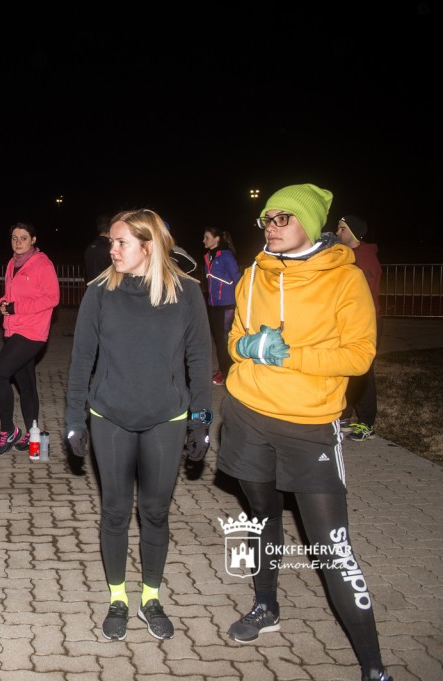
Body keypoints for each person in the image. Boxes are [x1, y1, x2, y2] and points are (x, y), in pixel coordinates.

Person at [217, 184, 391, 681]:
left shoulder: (345, 278)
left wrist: (288, 355)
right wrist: (247, 348)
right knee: (261, 517)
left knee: (332, 547)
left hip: (309, 424)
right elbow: (234, 339)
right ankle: (265, 605)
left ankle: (373, 666)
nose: (270, 227)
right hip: (247, 415)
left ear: (310, 224)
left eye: (283, 218)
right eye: (266, 219)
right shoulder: (253, 273)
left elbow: (359, 355)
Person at [65, 208, 211, 640]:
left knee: (155, 512)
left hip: (166, 418)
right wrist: (74, 419)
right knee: (114, 512)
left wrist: (201, 421)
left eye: (120, 243)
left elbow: (200, 360)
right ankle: (117, 599)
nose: (111, 250)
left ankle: (151, 597)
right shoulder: (99, 292)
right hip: (110, 416)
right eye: (111, 242)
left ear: (149, 246)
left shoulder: (186, 293)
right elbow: (81, 360)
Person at [0, 222, 60, 455]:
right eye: (14, 238)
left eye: (23, 238)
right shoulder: (12, 263)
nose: (18, 242)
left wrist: (16, 307)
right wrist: (3, 302)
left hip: (32, 332)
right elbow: (10, 294)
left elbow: (52, 298)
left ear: (33, 240)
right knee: (27, 385)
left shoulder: (43, 264)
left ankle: (8, 430)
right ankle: (34, 436)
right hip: (14, 329)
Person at [336, 215, 382, 442]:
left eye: (342, 229)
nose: (337, 233)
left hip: (365, 323)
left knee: (363, 372)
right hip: (347, 321)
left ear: (353, 233)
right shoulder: (347, 256)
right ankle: (345, 415)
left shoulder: (365, 260)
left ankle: (367, 423)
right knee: (345, 368)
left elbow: (362, 296)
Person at [202, 227, 241, 386]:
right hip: (213, 304)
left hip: (227, 304)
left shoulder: (225, 256)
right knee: (219, 340)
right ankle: (223, 371)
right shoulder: (208, 257)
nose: (204, 241)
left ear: (216, 239)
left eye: (206, 237)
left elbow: (237, 278)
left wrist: (242, 300)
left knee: (225, 340)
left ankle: (229, 373)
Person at [84, 214, 112, 282]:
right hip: (106, 285)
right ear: (110, 230)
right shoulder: (110, 248)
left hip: (91, 285)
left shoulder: (89, 247)